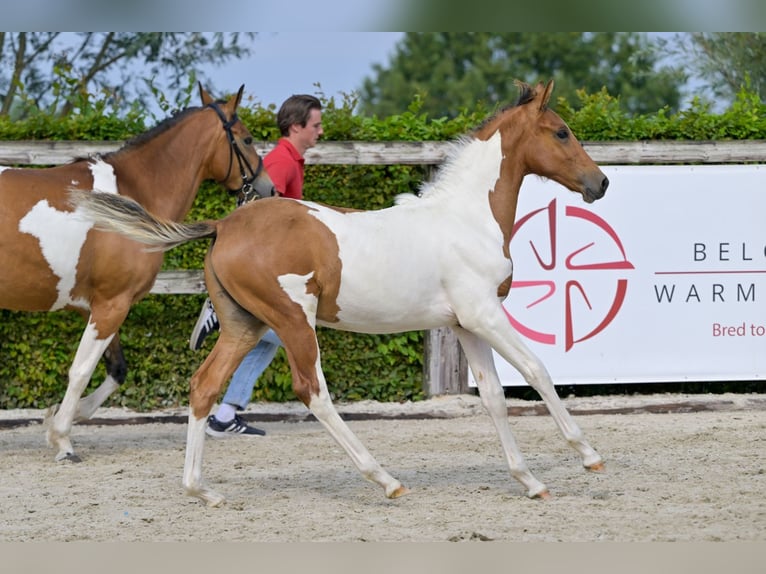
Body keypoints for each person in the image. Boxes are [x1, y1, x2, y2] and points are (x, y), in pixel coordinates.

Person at [189, 94, 323, 438]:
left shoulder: (290, 159)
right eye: (316, 125)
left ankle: (224, 415)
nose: (321, 131)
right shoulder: (281, 161)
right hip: (269, 272)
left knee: (263, 339)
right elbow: (258, 213)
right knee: (291, 334)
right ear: (296, 127)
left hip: (274, 269)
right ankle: (323, 402)